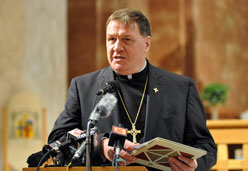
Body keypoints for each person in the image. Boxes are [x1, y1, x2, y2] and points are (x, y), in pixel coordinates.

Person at [48, 8, 217, 170]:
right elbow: (57, 138)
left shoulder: (181, 88)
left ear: (147, 44)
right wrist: (99, 146)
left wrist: (194, 167)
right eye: (111, 39)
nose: (117, 47)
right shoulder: (83, 87)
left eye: (126, 40)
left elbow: (206, 147)